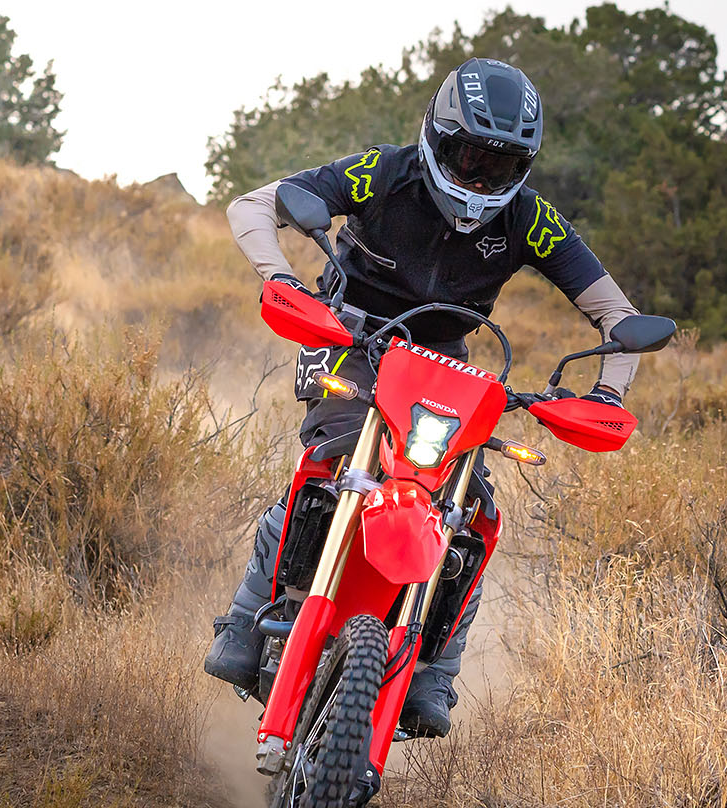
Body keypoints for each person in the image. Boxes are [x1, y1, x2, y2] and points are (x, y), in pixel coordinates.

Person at [205, 57, 642, 737]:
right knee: (337, 457)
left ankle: (435, 670)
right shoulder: (383, 171)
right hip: (349, 336)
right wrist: (282, 280)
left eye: (496, 168)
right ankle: (248, 618)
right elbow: (255, 204)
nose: (476, 179)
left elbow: (620, 318)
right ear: (437, 136)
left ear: (523, 167)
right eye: (467, 157)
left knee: (472, 509)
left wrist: (608, 394)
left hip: (445, 364)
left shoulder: (532, 219)